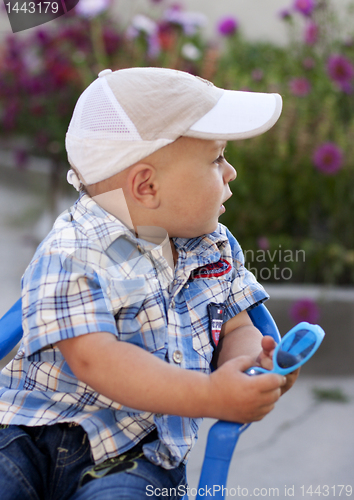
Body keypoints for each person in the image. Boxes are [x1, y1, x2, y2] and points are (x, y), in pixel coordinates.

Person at [0, 67, 298, 500]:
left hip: (139, 454)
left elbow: (237, 326)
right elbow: (95, 360)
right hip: (29, 433)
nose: (230, 171)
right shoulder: (73, 251)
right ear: (147, 185)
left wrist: (249, 369)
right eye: (216, 158)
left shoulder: (213, 247)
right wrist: (211, 395)